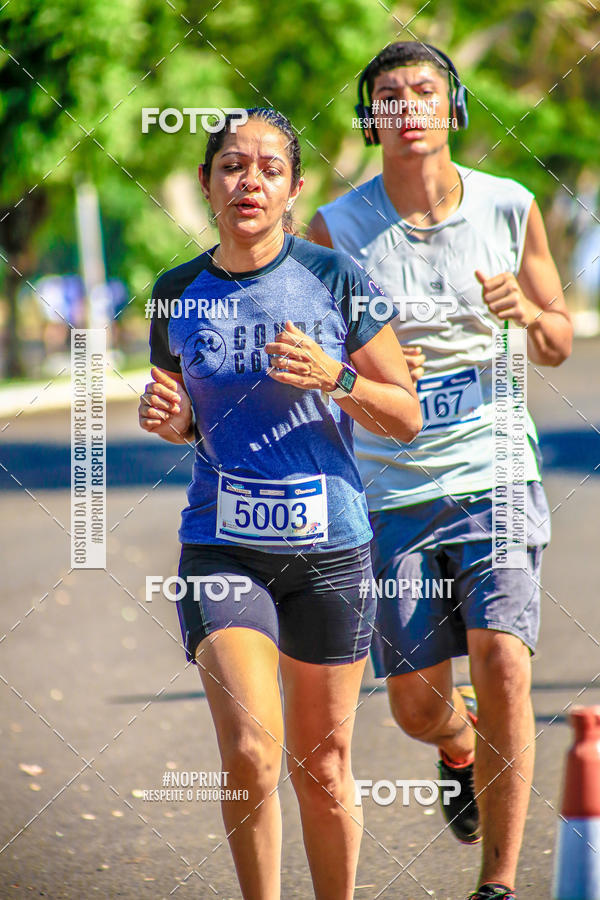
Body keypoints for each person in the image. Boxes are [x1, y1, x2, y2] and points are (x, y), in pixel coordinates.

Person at [308, 42, 573, 900]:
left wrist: (527, 310)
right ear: (370, 116)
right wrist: (370, 378)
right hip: (391, 488)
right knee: (418, 706)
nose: (409, 103)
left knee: (503, 657)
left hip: (496, 468)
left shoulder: (510, 206)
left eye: (426, 89)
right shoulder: (337, 231)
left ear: (452, 108)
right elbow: (315, 364)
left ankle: (496, 884)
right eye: (389, 94)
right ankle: (459, 749)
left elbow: (560, 340)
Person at [138, 106, 421, 900]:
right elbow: (185, 413)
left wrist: (336, 376)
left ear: (294, 189)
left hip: (330, 546)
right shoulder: (174, 293)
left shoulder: (333, 279)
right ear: (205, 184)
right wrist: (174, 419)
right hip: (221, 544)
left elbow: (405, 413)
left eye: (268, 168)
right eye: (231, 166)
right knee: (253, 752)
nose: (249, 180)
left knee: (323, 765)